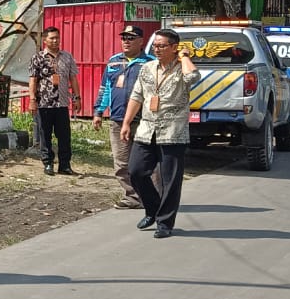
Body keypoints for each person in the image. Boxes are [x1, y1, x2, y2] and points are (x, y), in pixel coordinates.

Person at [121, 29, 200, 239]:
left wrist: (184, 56)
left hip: (173, 132)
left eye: (162, 46)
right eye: (155, 45)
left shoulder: (181, 68)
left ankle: (165, 223)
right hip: (147, 129)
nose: (156, 49)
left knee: (170, 180)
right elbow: (137, 95)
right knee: (136, 171)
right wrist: (127, 122)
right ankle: (152, 209)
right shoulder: (147, 68)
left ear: (174, 47)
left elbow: (193, 76)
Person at [93, 24, 154, 208]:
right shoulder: (113, 62)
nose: (126, 42)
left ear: (141, 41)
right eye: (124, 38)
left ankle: (151, 197)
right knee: (121, 163)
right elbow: (105, 88)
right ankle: (132, 197)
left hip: (143, 121)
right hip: (118, 119)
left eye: (131, 38)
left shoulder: (150, 63)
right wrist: (98, 112)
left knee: (144, 162)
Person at [29, 26, 81, 176]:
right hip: (44, 103)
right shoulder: (37, 58)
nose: (55, 40)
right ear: (45, 40)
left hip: (62, 103)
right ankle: (48, 163)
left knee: (64, 136)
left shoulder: (67, 57)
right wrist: (32, 99)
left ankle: (64, 165)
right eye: (52, 38)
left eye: (57, 37)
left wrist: (77, 97)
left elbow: (73, 78)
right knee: (45, 135)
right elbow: (33, 80)